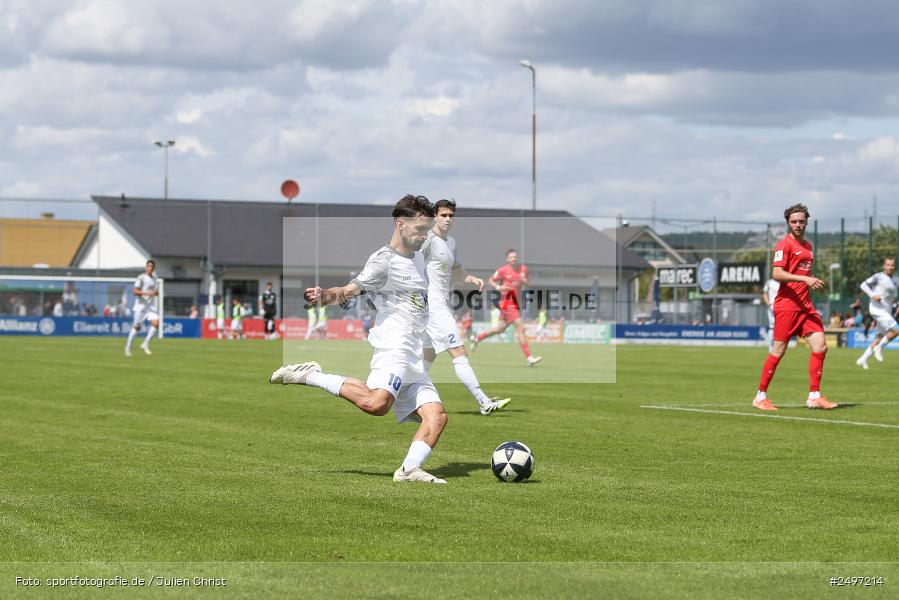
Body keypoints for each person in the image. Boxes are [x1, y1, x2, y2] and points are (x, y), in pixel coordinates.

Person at [270, 194, 448, 484]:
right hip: (395, 344)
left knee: (437, 417)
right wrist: (325, 295)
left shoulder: (419, 256)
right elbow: (350, 289)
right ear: (401, 225)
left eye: (426, 229)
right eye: (419, 229)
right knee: (376, 404)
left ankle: (408, 471)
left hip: (415, 351)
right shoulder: (383, 260)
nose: (423, 235)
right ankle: (310, 376)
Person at [420, 198, 511, 415]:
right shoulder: (427, 240)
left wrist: (472, 279)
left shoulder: (450, 242)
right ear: (435, 216)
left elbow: (458, 272)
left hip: (442, 303)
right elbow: (410, 263)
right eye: (444, 215)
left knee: (428, 355)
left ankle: (399, 394)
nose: (448, 219)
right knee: (458, 351)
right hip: (432, 306)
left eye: (451, 215)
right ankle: (483, 401)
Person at [751, 204, 836, 411]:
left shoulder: (808, 246)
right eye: (794, 221)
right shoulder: (784, 245)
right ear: (788, 223)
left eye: (801, 221)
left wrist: (808, 283)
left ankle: (814, 396)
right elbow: (777, 274)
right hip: (787, 307)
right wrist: (805, 280)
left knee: (820, 346)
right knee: (779, 351)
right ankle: (760, 397)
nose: (798, 225)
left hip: (805, 307)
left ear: (807, 221)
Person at [470, 249, 542, 366]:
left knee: (500, 329)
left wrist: (526, 282)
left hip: (516, 304)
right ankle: (529, 357)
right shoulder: (502, 270)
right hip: (507, 303)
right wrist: (499, 287)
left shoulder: (523, 269)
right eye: (511, 257)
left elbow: (528, 283)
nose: (514, 258)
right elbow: (491, 280)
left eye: (515, 257)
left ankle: (477, 338)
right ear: (507, 259)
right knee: (520, 326)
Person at [856, 257, 899, 369]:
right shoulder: (878, 277)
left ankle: (863, 359)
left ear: (895, 266)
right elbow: (863, 285)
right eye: (888, 265)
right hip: (876, 309)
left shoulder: (896, 280)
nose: (890, 267)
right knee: (896, 330)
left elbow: (892, 296)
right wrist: (873, 295)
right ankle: (879, 348)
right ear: (884, 266)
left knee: (880, 336)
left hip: (887, 312)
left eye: (892, 265)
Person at [125, 259, 159, 356]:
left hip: (150, 305)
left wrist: (155, 293)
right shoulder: (141, 277)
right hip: (141, 306)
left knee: (156, 324)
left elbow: (156, 291)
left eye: (152, 266)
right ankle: (128, 346)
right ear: (146, 267)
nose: (150, 268)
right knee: (137, 327)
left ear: (154, 268)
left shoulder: (155, 278)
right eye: (148, 266)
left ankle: (145, 343)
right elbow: (135, 291)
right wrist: (146, 293)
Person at [762, 277, 780, 353]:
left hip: (782, 306)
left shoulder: (783, 282)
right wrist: (768, 303)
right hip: (772, 306)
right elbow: (764, 294)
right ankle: (771, 346)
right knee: (772, 327)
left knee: (779, 327)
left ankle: (778, 346)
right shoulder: (769, 283)